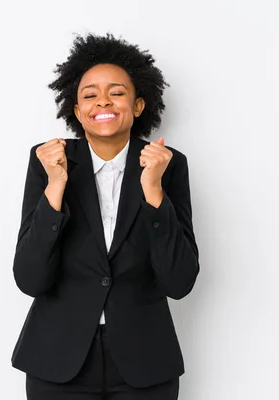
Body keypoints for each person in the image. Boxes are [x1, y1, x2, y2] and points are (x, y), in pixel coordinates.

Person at [11, 33, 200, 400]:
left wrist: (154, 193)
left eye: (117, 92)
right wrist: (54, 187)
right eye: (89, 95)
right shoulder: (49, 161)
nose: (103, 101)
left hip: (145, 363)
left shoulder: (167, 166)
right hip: (57, 361)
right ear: (77, 110)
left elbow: (180, 282)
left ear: (139, 104)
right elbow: (29, 278)